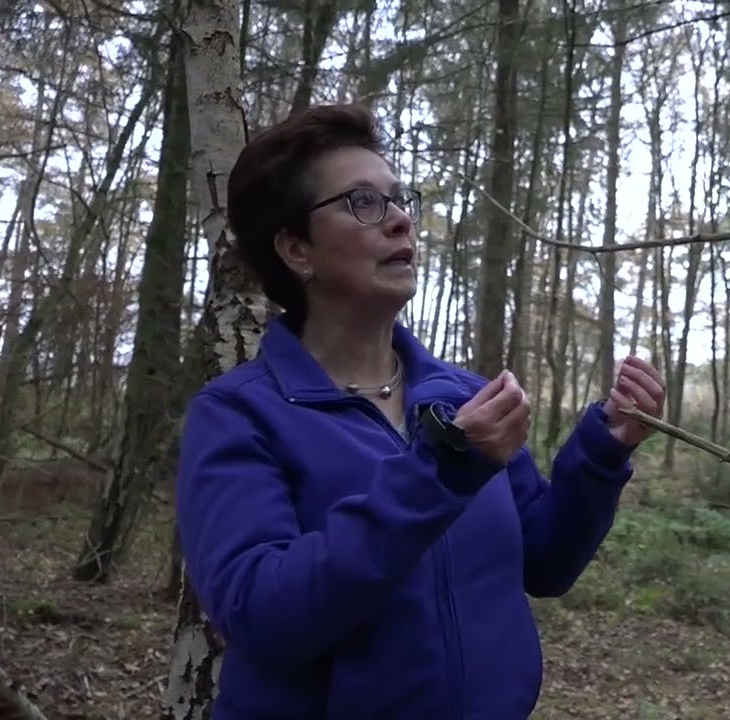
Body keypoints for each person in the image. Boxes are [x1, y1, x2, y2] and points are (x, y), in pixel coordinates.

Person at [173, 103, 667, 720]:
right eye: (363, 202)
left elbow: (544, 562)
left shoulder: (461, 398)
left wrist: (602, 451)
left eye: (399, 199)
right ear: (298, 250)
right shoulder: (239, 415)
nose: (402, 221)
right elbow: (264, 617)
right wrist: (441, 472)